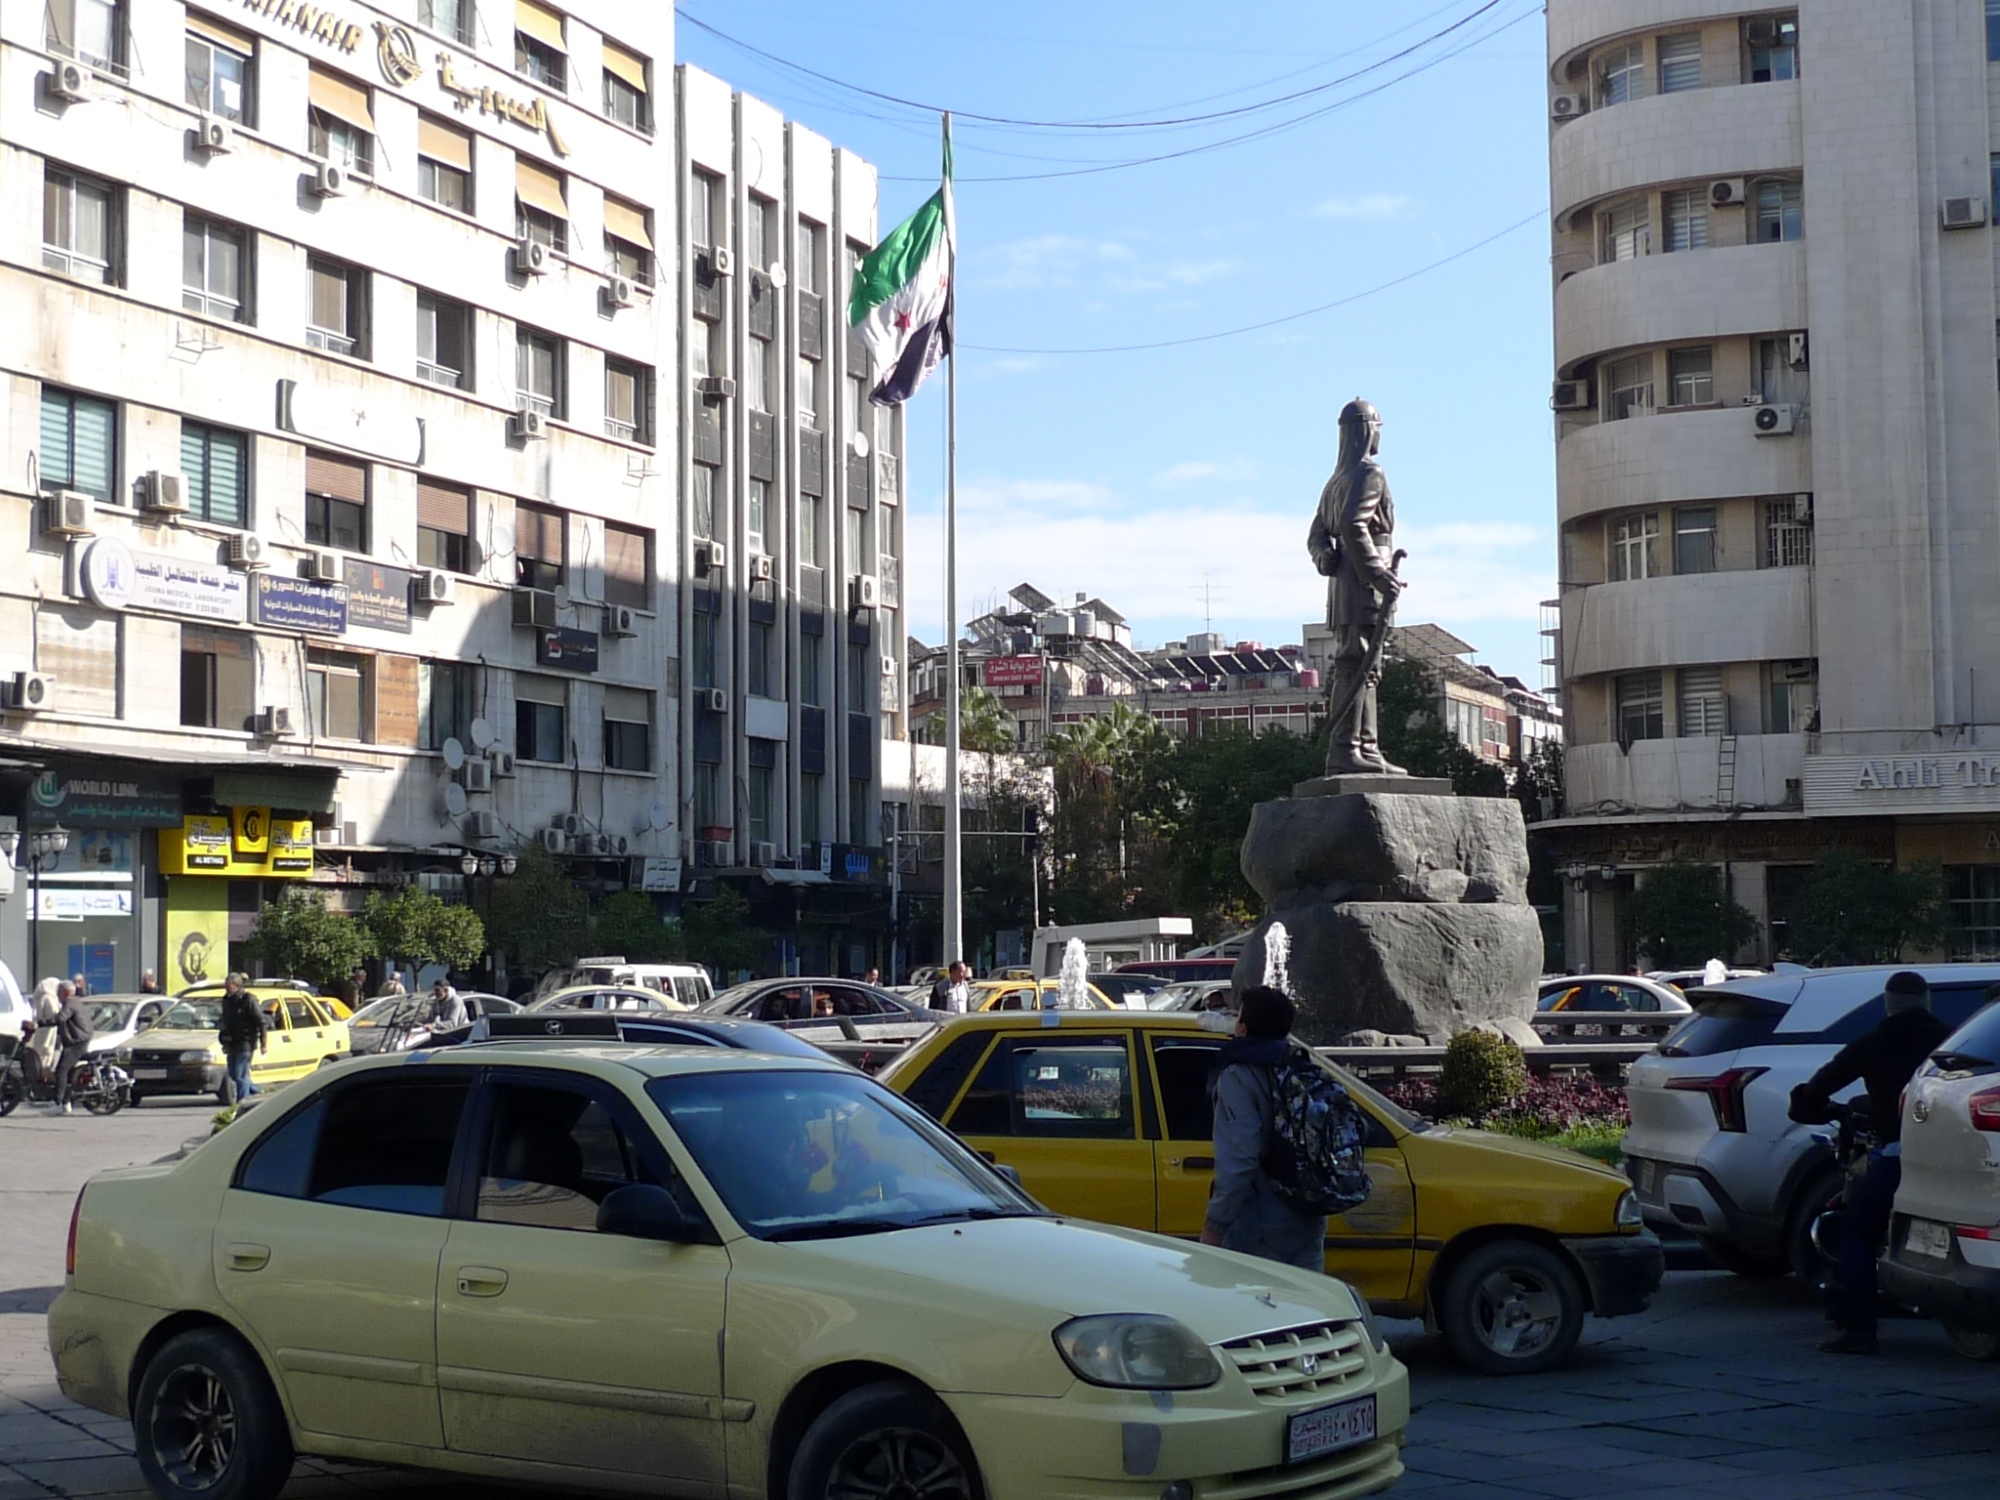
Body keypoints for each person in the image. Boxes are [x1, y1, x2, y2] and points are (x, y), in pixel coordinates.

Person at [1789, 970, 1952, 1355]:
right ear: (1927, 1001)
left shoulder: (1872, 1044)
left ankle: (1861, 1330)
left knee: (1856, 1231)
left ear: (1888, 1004)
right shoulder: (1950, 1040)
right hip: (1953, 1153)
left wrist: (1806, 1103)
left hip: (1901, 1153)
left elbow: (1816, 1089)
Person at [1308, 398, 1406, 777]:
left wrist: (1324, 558)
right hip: (1363, 583)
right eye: (1378, 425)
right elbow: (1353, 524)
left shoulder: (1335, 481)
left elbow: (1317, 534)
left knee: (1362, 665)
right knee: (1361, 664)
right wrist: (1379, 575)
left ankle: (1365, 748)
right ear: (1367, 429)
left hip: (1345, 583)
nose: (1380, 433)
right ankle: (1349, 748)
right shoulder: (1369, 473)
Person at [1200, 986, 1328, 1270]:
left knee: (1252, 1310)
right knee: (1303, 1307)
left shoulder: (1239, 1076)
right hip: (1309, 1217)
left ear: (1243, 1030)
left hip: (1257, 1223)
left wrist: (1215, 1227)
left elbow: (1240, 1160)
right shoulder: (1303, 1067)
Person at [217, 972, 268, 1106]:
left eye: (229, 986)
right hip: (231, 1043)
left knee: (240, 1075)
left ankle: (242, 1104)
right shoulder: (226, 1000)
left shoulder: (248, 999)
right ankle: (257, 1092)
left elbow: (261, 1022)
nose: (227, 989)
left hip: (246, 1042)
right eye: (226, 986)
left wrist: (264, 1043)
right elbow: (225, 1020)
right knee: (234, 1074)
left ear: (237, 986)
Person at [49, 980, 93, 1114]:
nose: (57, 995)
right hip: (79, 1040)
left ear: (65, 992)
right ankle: (66, 1103)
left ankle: (58, 1103)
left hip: (76, 1042)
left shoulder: (70, 1003)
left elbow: (61, 1018)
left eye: (59, 992)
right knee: (70, 1072)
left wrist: (40, 1023)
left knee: (61, 1070)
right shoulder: (77, 1002)